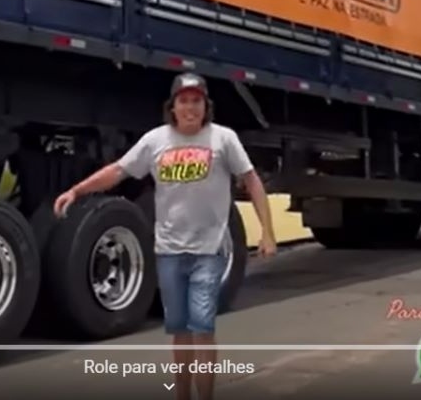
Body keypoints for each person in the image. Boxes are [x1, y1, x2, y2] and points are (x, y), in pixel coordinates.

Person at [54, 72, 277, 400]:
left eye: (197, 101)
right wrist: (77, 190)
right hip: (170, 253)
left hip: (209, 251)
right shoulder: (155, 141)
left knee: (202, 330)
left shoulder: (223, 139)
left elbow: (252, 180)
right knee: (181, 332)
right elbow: (118, 170)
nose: (190, 108)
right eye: (183, 101)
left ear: (206, 106)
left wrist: (267, 232)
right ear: (172, 107)